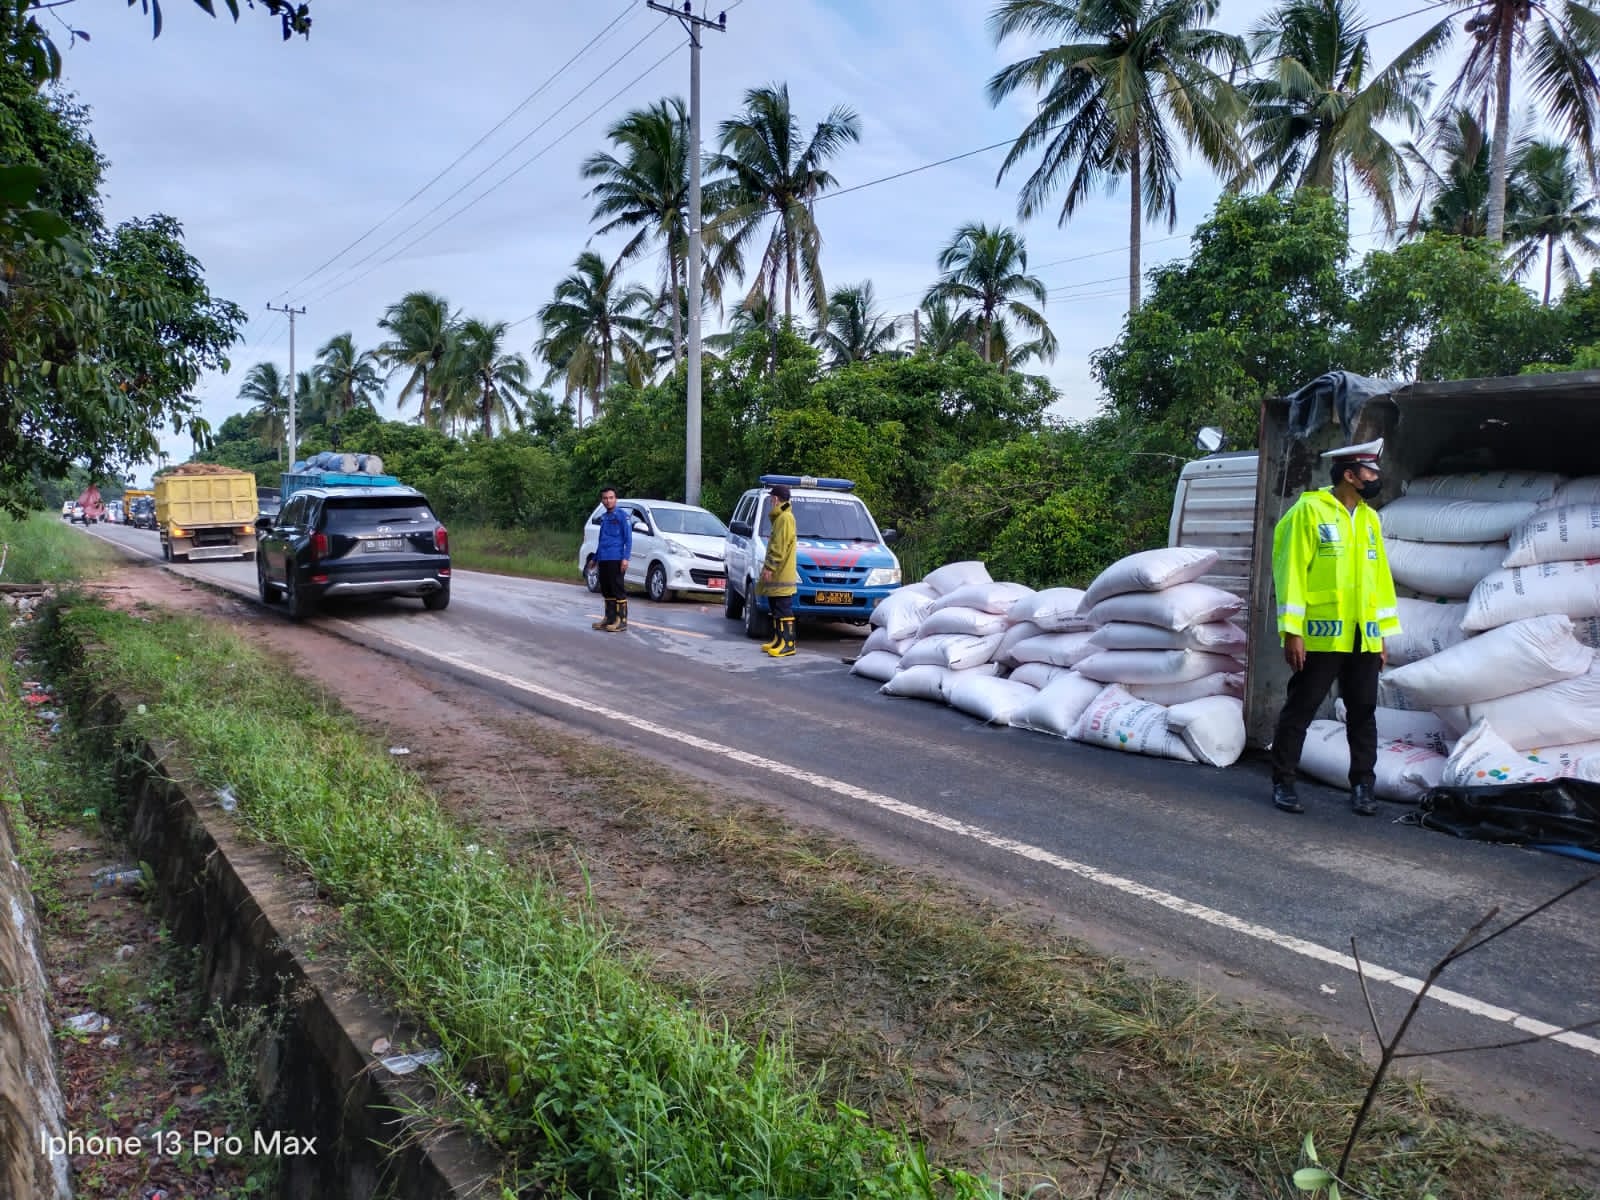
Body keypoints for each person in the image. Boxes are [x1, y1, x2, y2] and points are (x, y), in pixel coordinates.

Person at [1269, 438, 1401, 816]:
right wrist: (1292, 631)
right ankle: (1284, 781)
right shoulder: (1309, 512)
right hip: (1321, 636)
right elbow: (1290, 572)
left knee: (1363, 712)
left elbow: (1380, 581)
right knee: (1302, 708)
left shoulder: (1370, 519)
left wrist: (1380, 636)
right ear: (1349, 474)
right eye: (1371, 471)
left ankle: (1363, 785)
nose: (1377, 477)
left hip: (1362, 636)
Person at [758, 484, 798, 658]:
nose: (770, 502)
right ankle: (778, 639)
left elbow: (779, 546)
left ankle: (788, 644)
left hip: (781, 573)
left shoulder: (785, 518)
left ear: (775, 499)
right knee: (775, 607)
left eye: (771, 499)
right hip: (778, 573)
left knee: (783, 608)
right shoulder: (781, 517)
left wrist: (770, 567)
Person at [592, 486, 631, 633]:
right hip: (604, 558)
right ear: (602, 500)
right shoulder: (605, 517)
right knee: (606, 589)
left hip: (616, 558)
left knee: (617, 589)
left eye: (611, 498)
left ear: (616, 499)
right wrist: (595, 558)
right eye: (605, 498)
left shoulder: (622, 516)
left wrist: (625, 558)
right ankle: (609, 618)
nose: (608, 501)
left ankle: (621, 621)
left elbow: (628, 539)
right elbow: (602, 540)